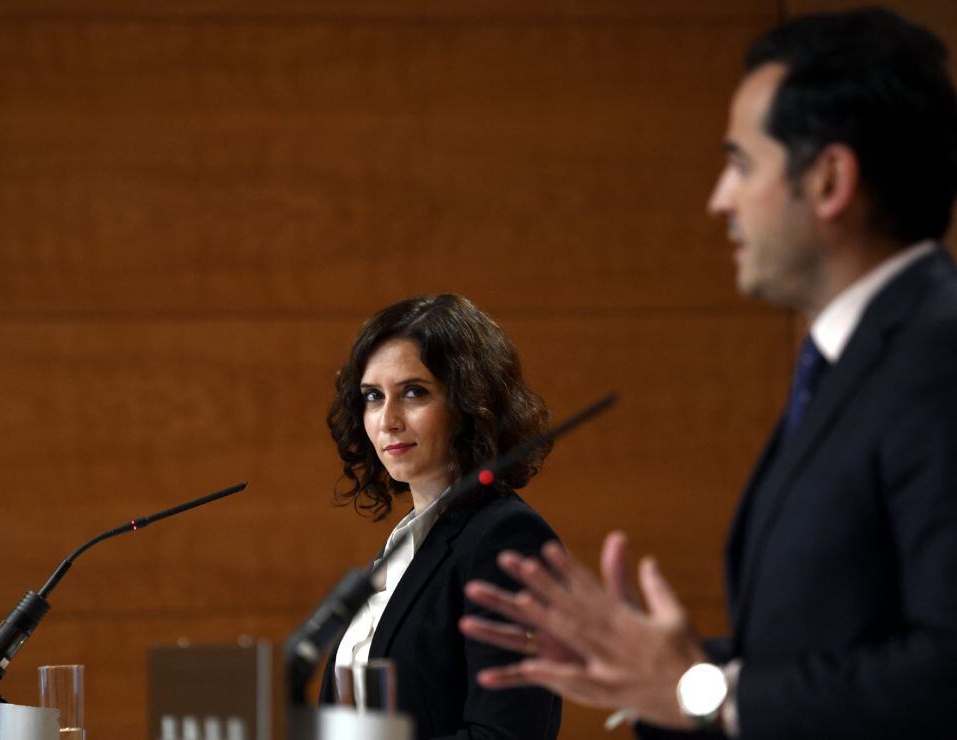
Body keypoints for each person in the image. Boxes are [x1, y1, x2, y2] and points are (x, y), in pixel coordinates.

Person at [459, 8, 957, 739]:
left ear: (829, 180)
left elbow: (944, 671)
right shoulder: (856, 361)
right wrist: (646, 666)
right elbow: (831, 649)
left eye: (742, 164)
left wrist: (708, 693)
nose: (719, 200)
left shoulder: (937, 361)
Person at [320, 293, 562, 739]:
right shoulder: (404, 547)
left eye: (414, 392)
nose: (387, 420)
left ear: (470, 403)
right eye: (373, 397)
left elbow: (506, 734)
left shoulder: (506, 537)